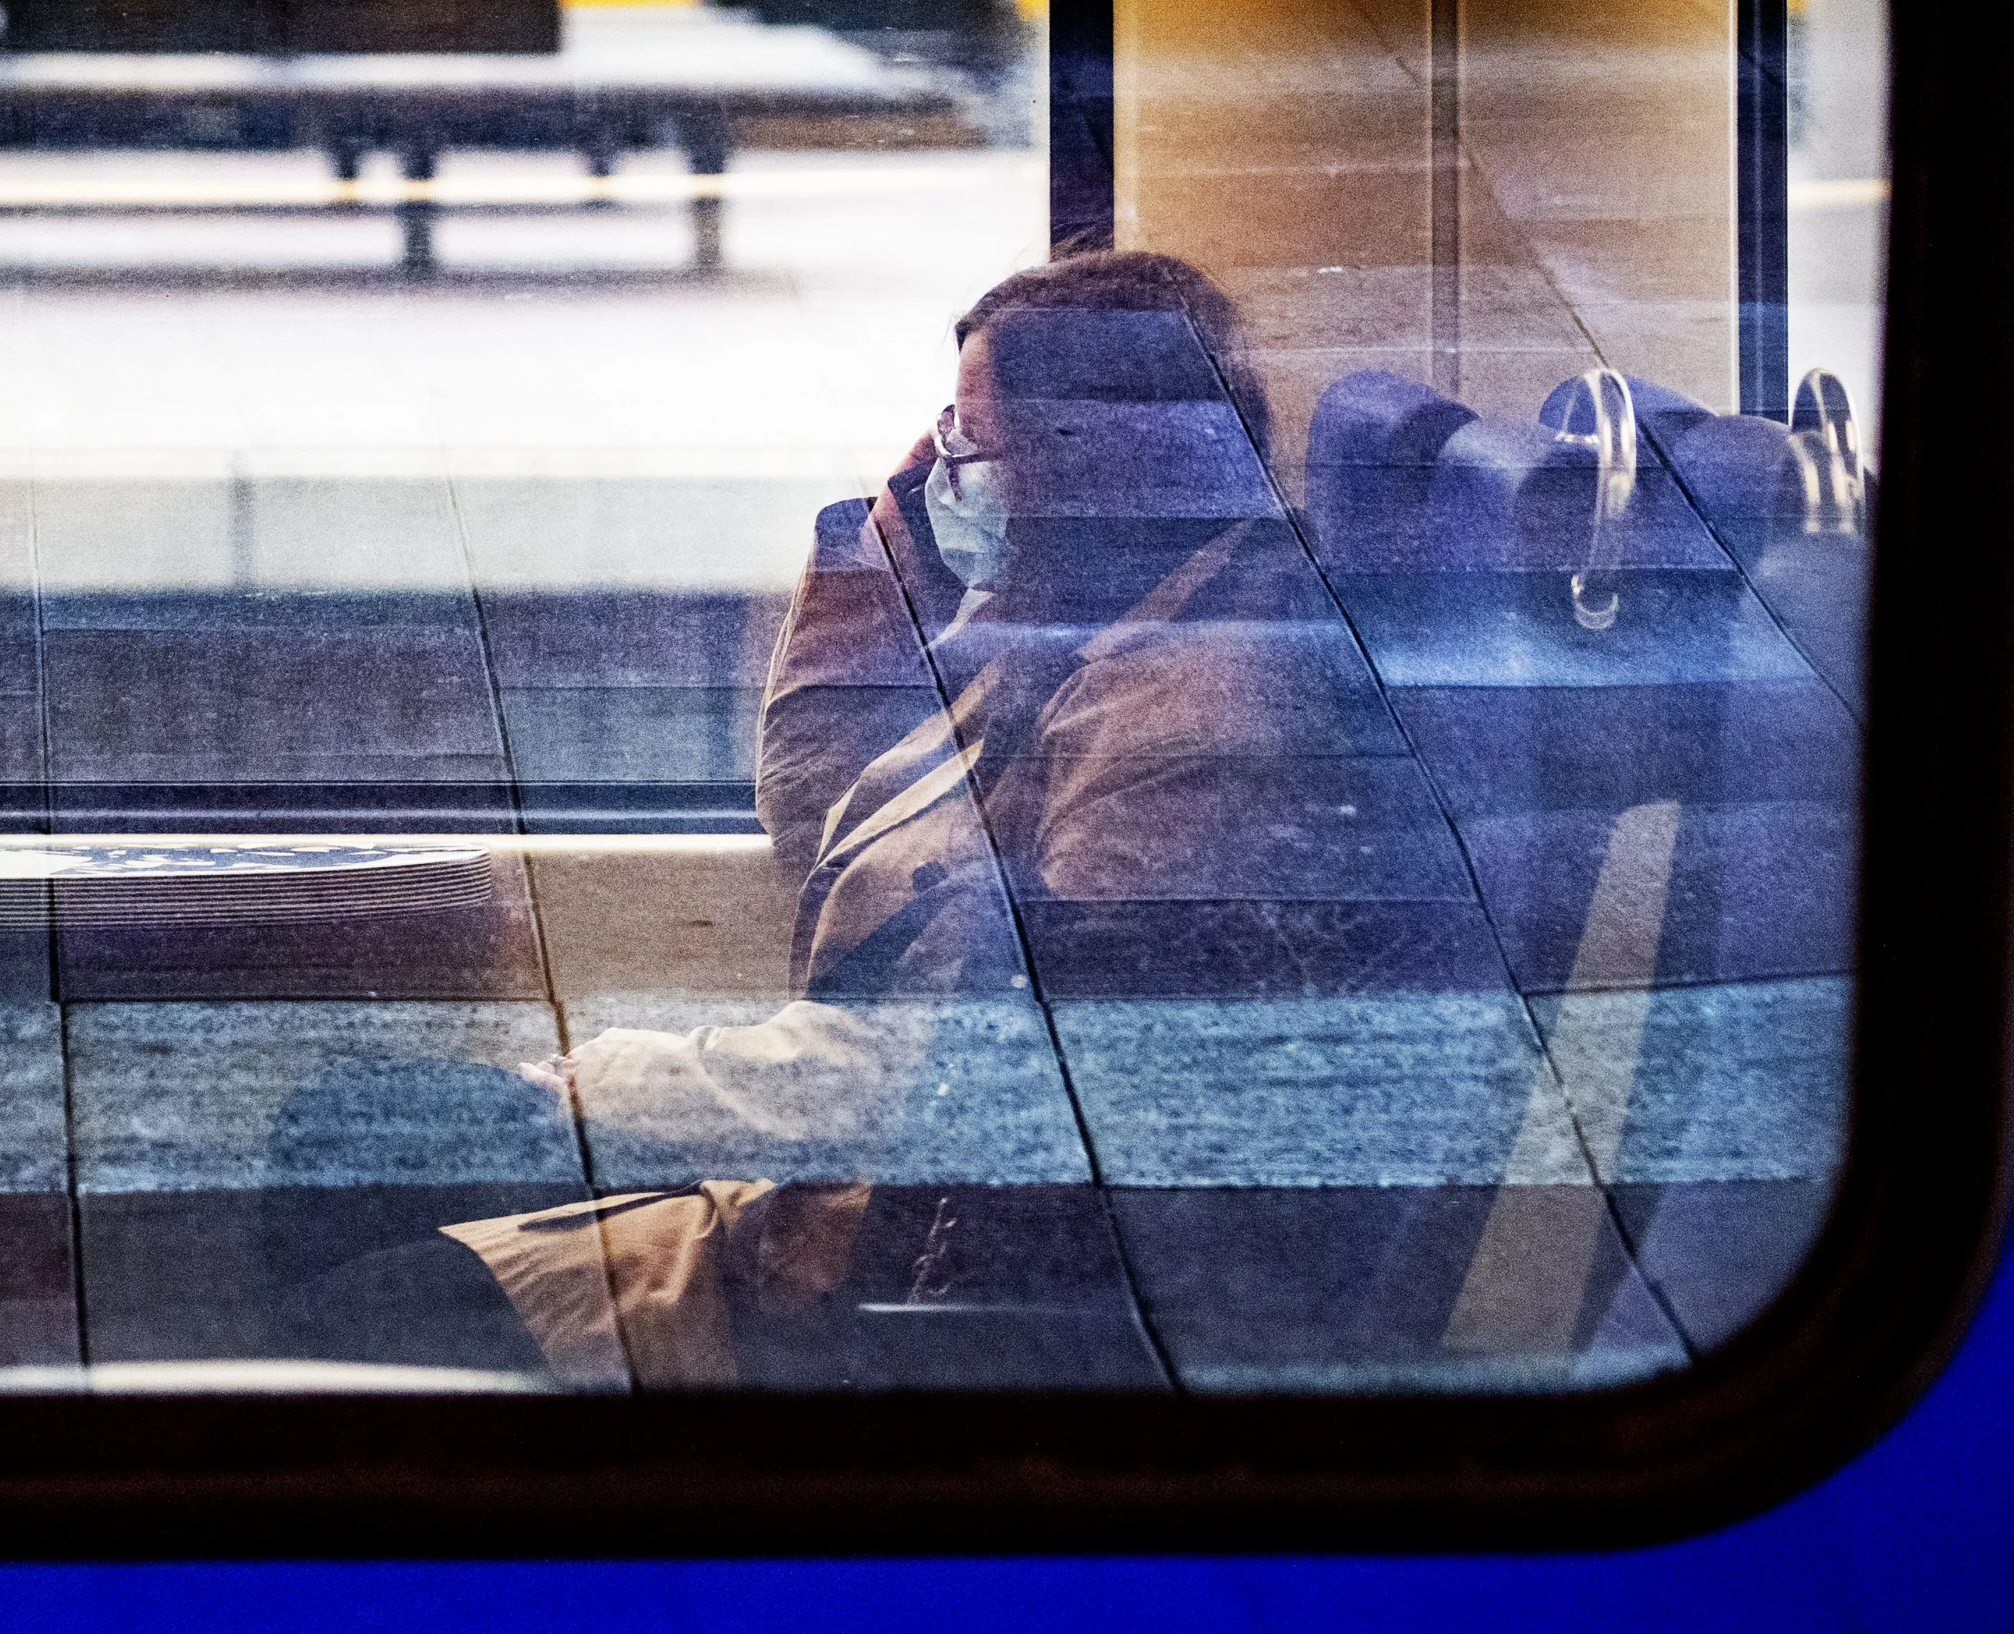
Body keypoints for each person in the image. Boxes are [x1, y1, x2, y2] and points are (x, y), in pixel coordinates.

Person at [302, 251, 1327, 1387]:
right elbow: (827, 836)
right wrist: (867, 571)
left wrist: (592, 1086)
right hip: (829, 1187)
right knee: (347, 1123)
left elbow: (936, 1077)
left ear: (1092, 467)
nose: (946, 473)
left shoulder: (1184, 726)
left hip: (861, 1266)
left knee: (360, 1267)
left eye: (972, 447)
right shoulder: (1067, 625)